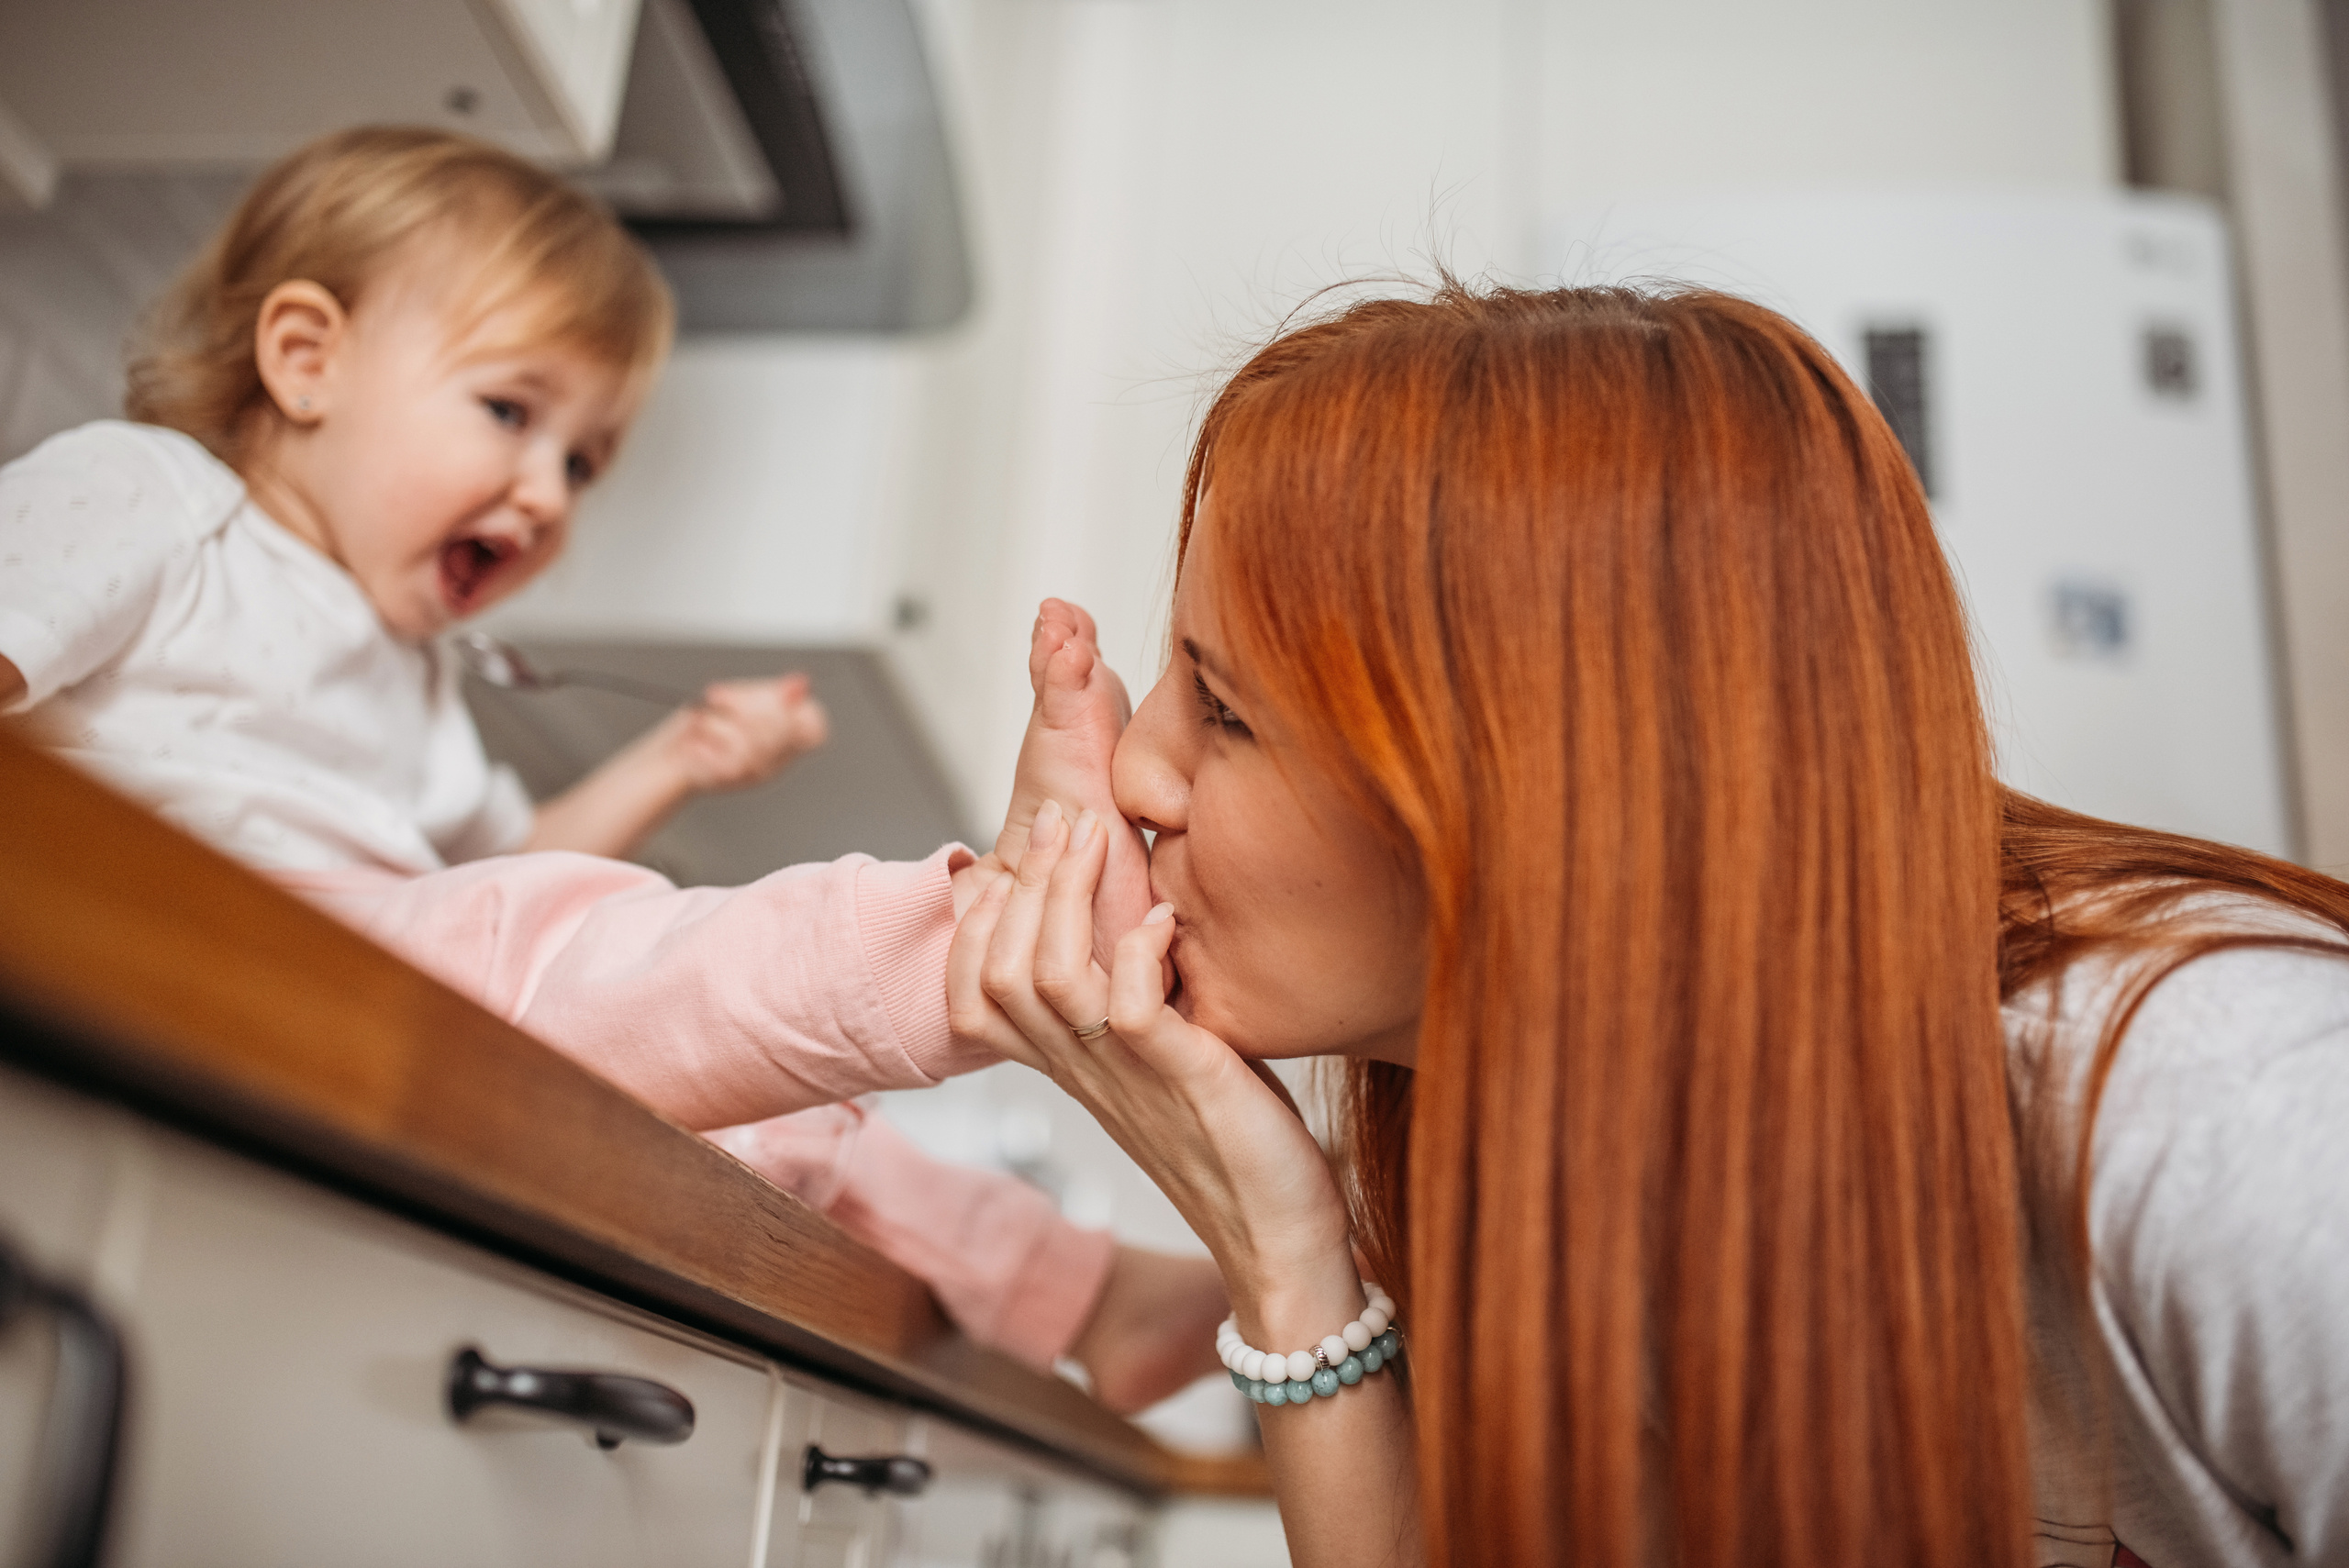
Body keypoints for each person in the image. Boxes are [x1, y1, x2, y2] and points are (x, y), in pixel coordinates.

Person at [952, 282, 2349, 1566]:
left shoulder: (2238, 1125)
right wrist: (1280, 1253)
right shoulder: (1600, 1171)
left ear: (1545, 793)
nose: (1136, 770)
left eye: (1229, 710)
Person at [0, 126, 1217, 1405]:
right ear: (306, 361)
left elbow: (508, 886)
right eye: (510, 412)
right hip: (205, 945)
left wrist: (678, 756)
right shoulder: (156, 497)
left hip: (364, 997)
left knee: (759, 1102)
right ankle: (984, 927)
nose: (546, 494)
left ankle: (1082, 1294)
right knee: (573, 952)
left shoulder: (414, 669)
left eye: (582, 460)